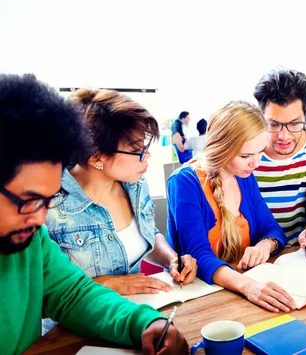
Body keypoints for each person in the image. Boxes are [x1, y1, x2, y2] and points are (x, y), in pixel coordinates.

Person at [0, 74, 187, 355]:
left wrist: (146, 323)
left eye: (50, 199)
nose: (40, 220)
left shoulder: (31, 237)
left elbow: (71, 294)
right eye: (30, 201)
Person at [46, 89, 197, 295]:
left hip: (135, 315)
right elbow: (39, 293)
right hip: (75, 326)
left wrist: (172, 259)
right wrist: (109, 284)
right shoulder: (48, 206)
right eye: (137, 151)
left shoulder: (135, 185)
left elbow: (148, 233)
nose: (148, 156)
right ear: (96, 157)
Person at [166, 101, 296, 313]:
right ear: (220, 148)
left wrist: (265, 245)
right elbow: (199, 255)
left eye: (260, 152)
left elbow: (272, 229)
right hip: (202, 299)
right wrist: (248, 286)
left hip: (238, 292)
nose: (256, 163)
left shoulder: (245, 176)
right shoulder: (184, 181)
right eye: (245, 156)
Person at [253, 68, 306, 257]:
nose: (284, 136)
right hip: (250, 257)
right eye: (273, 124)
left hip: (300, 256)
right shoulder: (245, 150)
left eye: (294, 124)